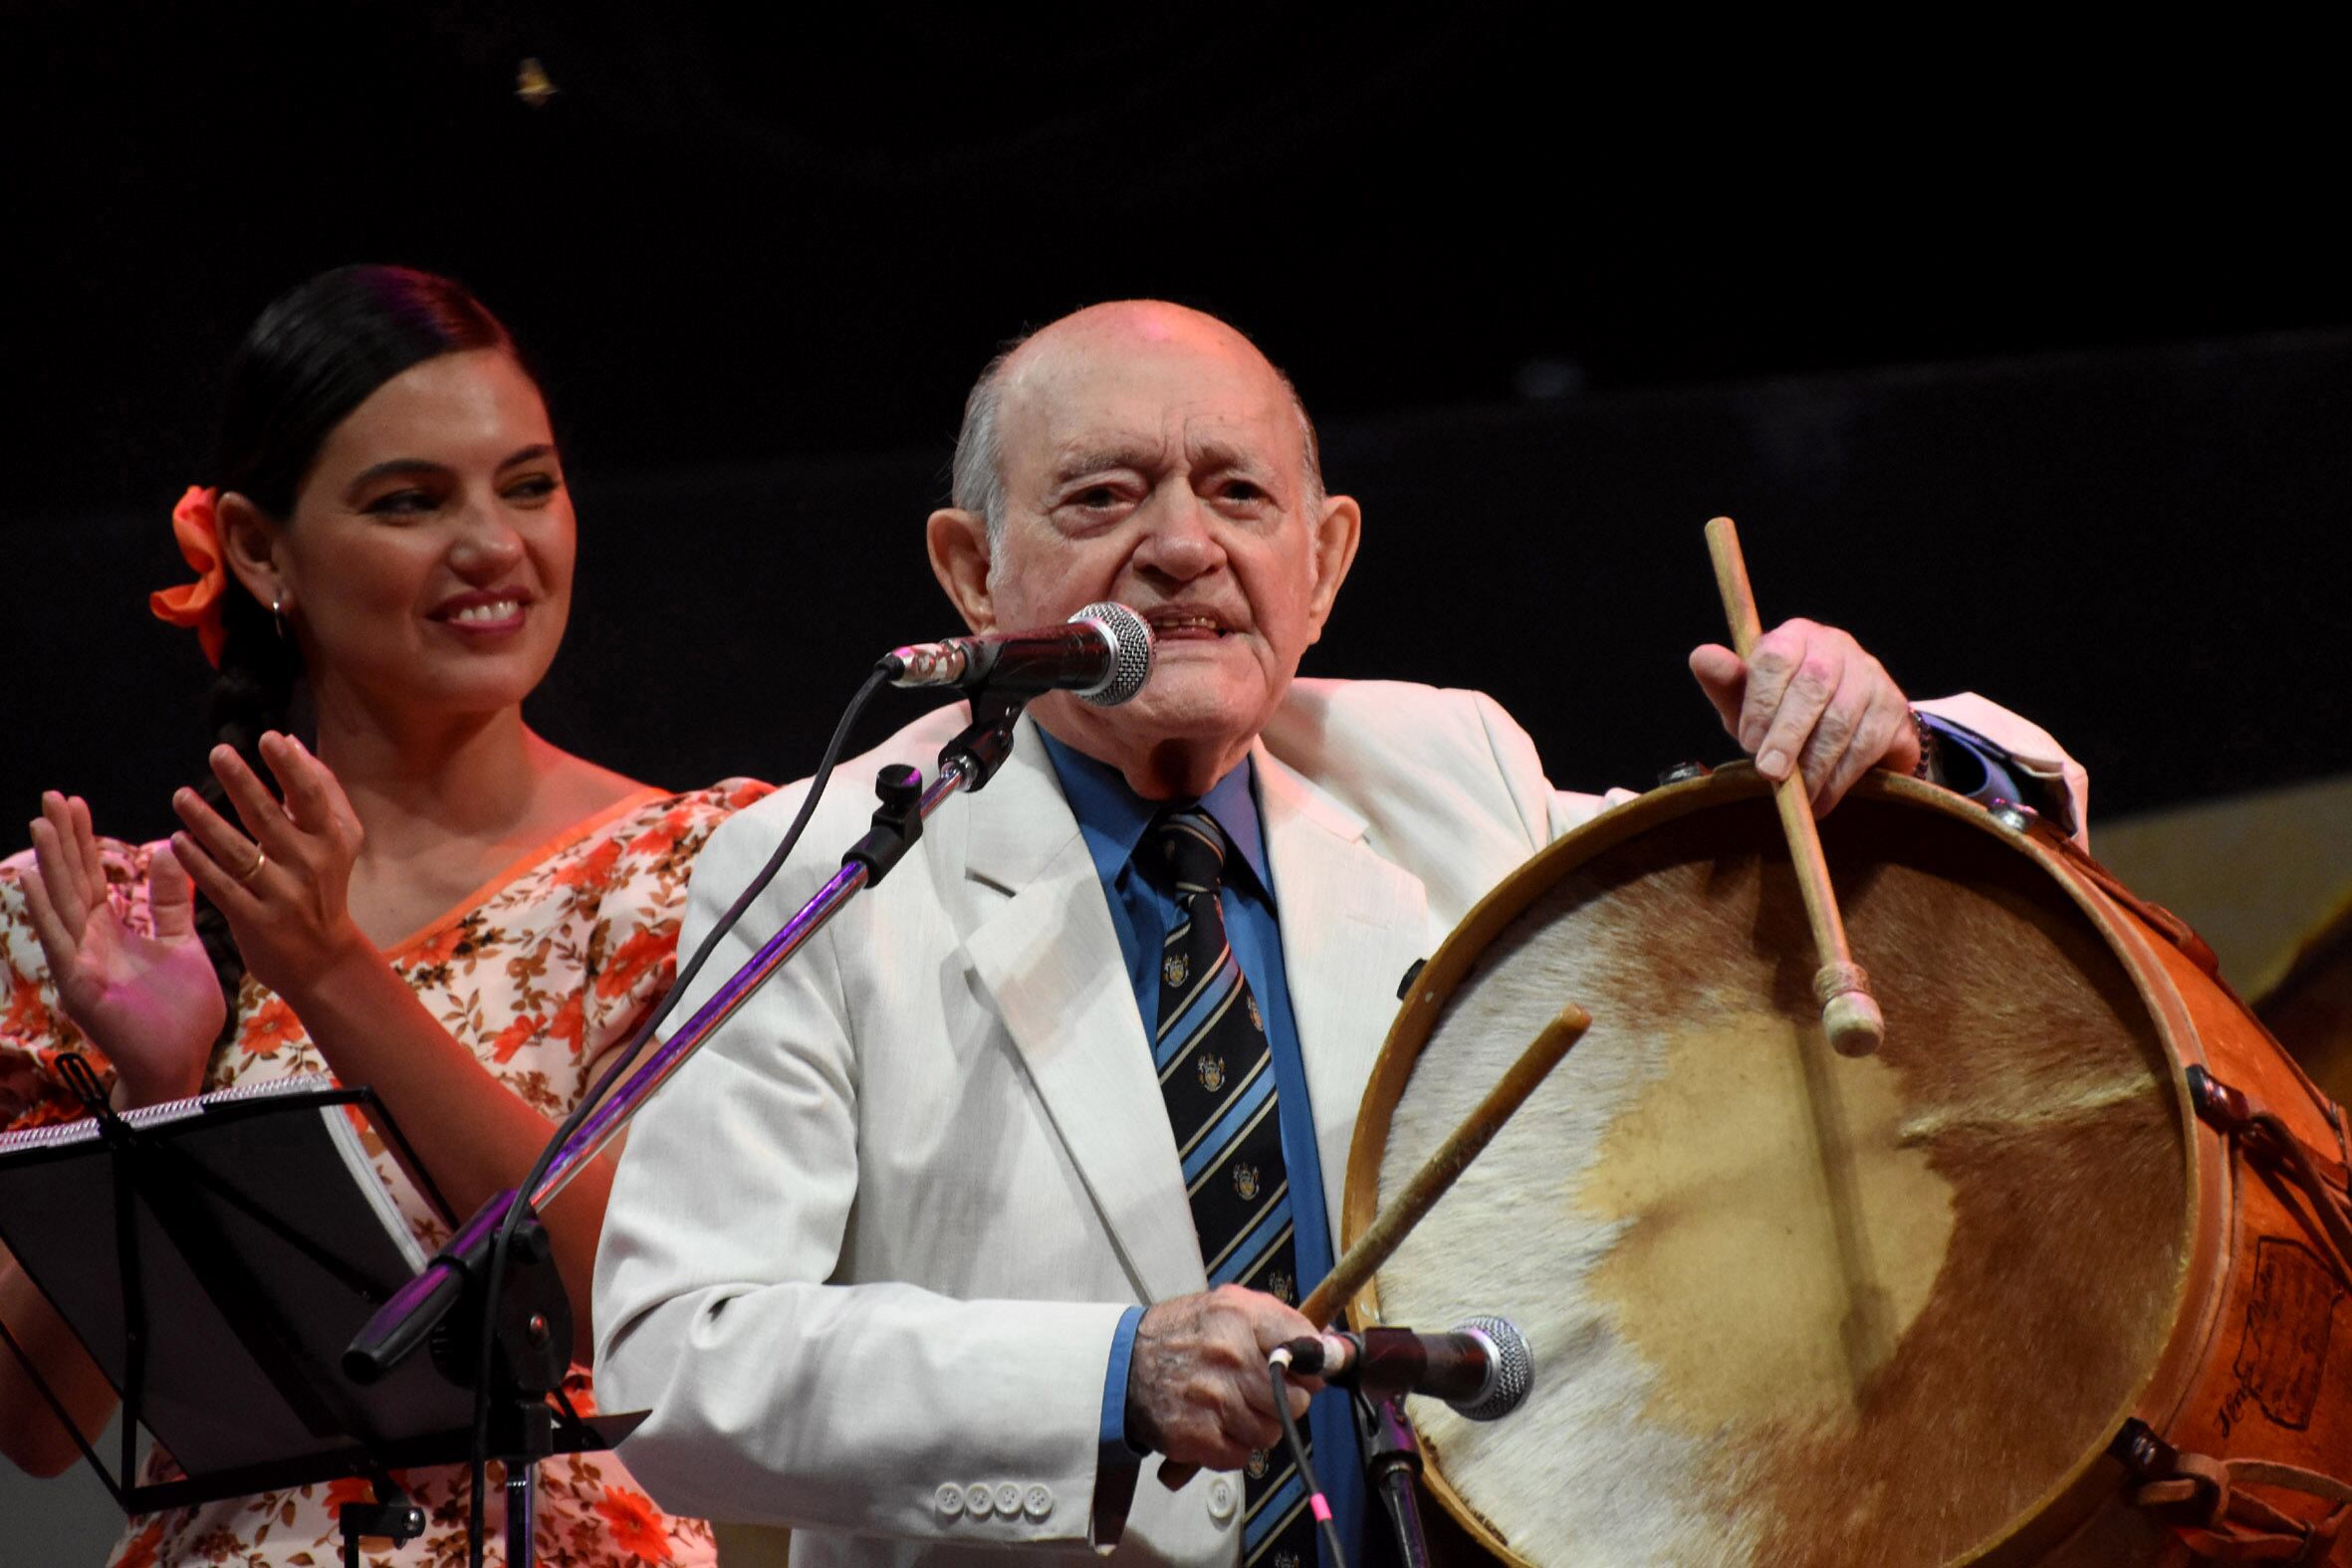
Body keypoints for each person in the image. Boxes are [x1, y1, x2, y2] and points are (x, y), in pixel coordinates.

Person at [591, 300, 2087, 1567]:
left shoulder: (1448, 770)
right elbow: (677, 1367)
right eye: (1103, 498)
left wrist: (1879, 747)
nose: (1180, 548)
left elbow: (1810, 905)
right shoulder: (828, 866)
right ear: (973, 572)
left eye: (1235, 496)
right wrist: (1109, 1377)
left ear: (1326, 561)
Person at [0, 265, 768, 1568]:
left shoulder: (701, 863)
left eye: (527, 484)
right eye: (410, 501)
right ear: (255, 546)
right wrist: (154, 1084)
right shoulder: (114, 920)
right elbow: (32, 1424)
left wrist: (334, 971)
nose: (493, 545)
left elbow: (636, 1305)